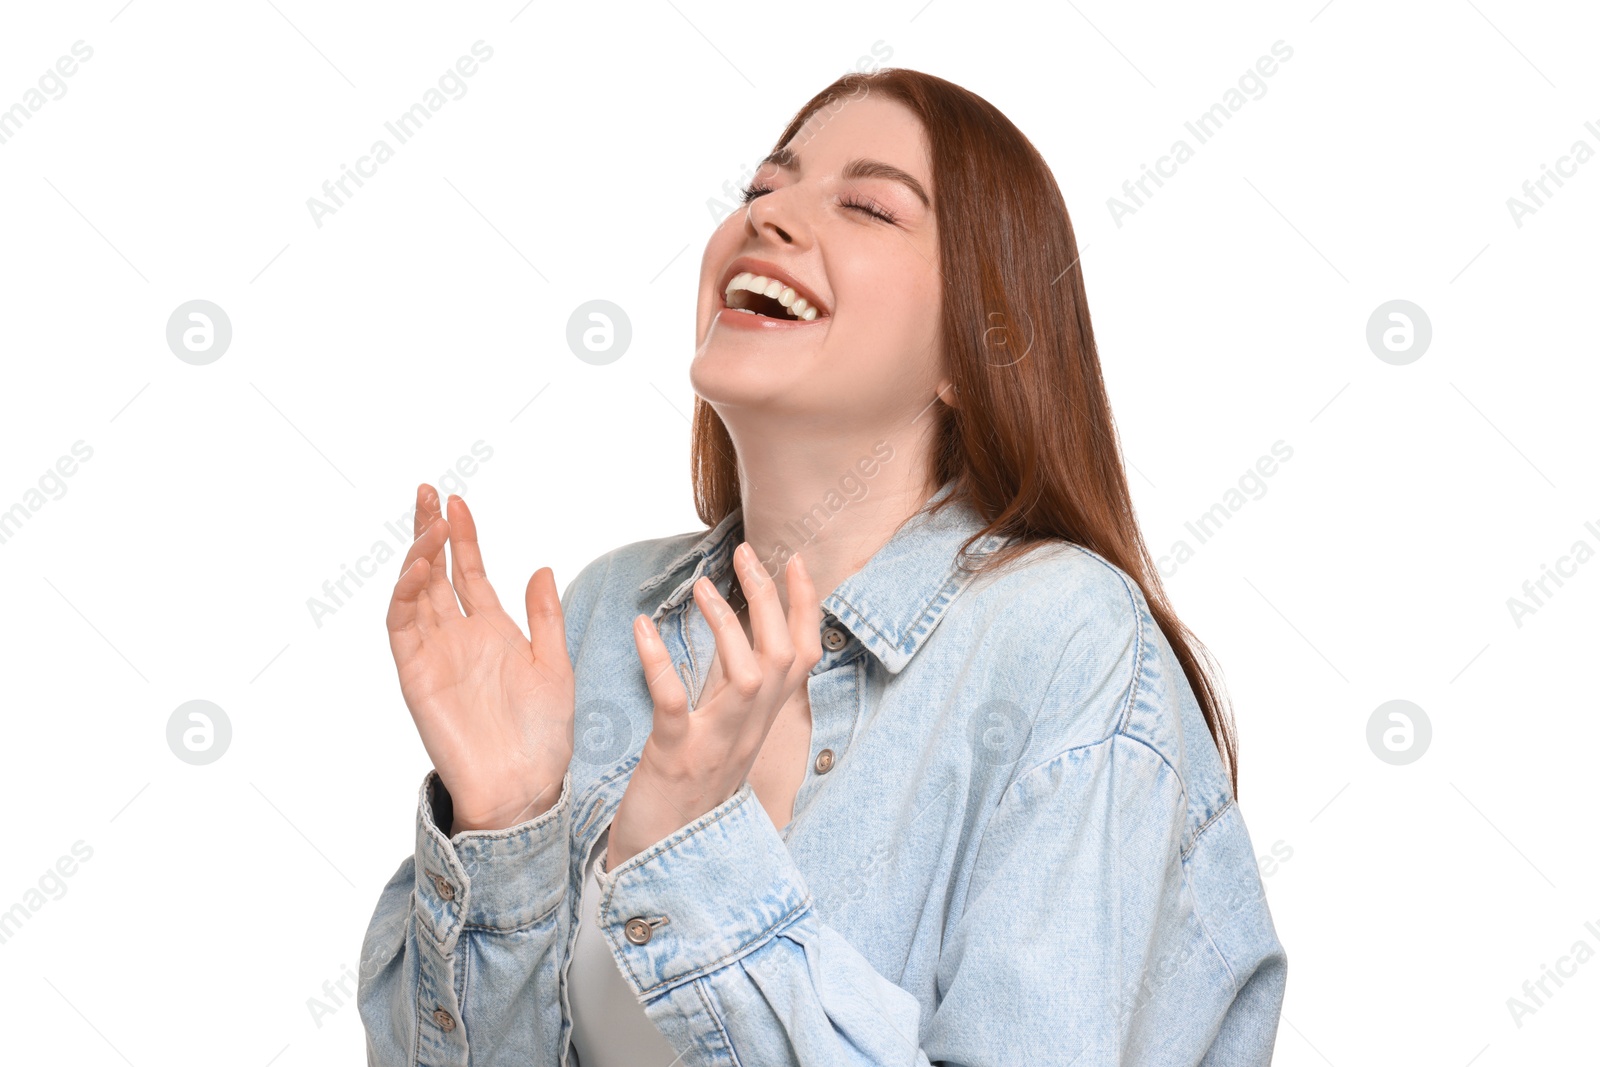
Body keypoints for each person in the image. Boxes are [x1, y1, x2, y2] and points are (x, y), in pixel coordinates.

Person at [358, 67, 1287, 1066]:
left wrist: (692, 851)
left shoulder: (1066, 642)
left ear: (975, 346)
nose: (771, 218)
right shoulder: (603, 617)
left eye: (867, 206)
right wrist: (503, 823)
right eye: (761, 191)